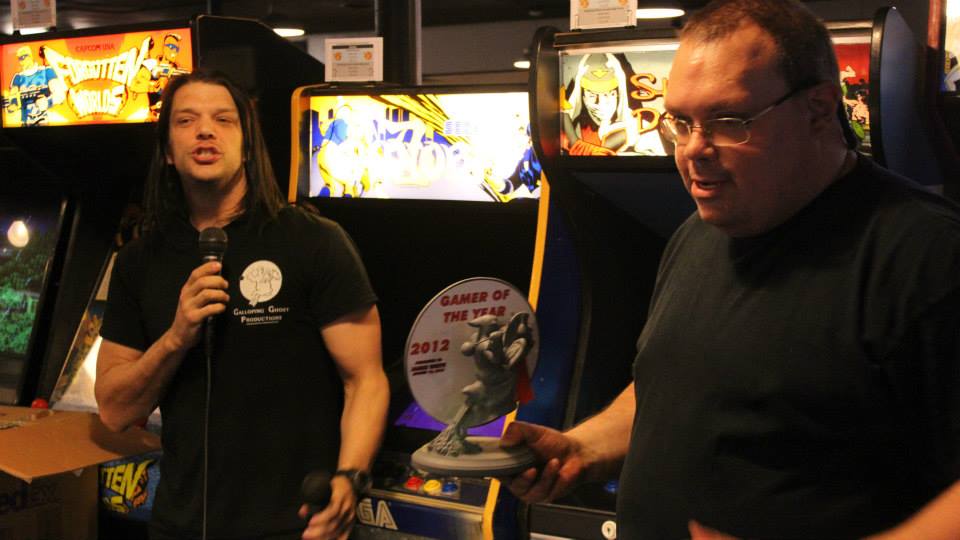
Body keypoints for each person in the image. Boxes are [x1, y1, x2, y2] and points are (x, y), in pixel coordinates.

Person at [503, 1, 960, 538]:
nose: (693, 150)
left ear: (818, 109)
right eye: (680, 122)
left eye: (728, 122)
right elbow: (676, 385)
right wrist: (582, 447)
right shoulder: (698, 233)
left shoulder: (927, 254)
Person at [94, 70, 389, 540]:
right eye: (186, 120)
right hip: (180, 525)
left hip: (296, 525)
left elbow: (366, 380)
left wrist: (350, 478)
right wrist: (175, 338)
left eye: (223, 120)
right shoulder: (138, 260)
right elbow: (114, 410)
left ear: (248, 146)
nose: (204, 131)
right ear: (168, 150)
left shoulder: (313, 241)